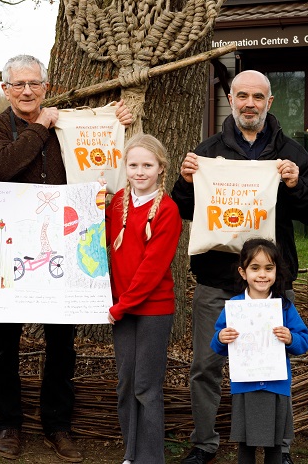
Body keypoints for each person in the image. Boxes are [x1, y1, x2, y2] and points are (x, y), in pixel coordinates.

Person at [0, 54, 132, 462]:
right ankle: (8, 423)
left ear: (46, 87)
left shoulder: (66, 123)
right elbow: (3, 166)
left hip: (64, 243)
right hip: (11, 246)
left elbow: (98, 136)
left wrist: (115, 121)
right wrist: (39, 126)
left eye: (34, 84)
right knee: (3, 341)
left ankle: (57, 425)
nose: (27, 91)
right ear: (6, 90)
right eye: (18, 85)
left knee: (62, 343)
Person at [170, 69, 308, 464]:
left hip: (270, 281)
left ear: (269, 102)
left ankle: (280, 447)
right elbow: (185, 209)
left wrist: (295, 184)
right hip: (217, 279)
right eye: (242, 96)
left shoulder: (291, 152)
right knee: (206, 364)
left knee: (275, 363)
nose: (249, 104)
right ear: (232, 100)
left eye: (258, 97)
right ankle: (204, 443)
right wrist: (186, 181)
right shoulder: (206, 151)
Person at [106, 133, 182, 464]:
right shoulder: (118, 201)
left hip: (152, 310)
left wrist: (120, 306)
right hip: (122, 310)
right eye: (133, 164)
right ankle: (130, 453)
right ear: (125, 167)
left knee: (145, 387)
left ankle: (151, 458)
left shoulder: (167, 210)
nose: (140, 171)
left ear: (160, 168)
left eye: (147, 165)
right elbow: (99, 247)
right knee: (126, 384)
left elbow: (151, 270)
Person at [210, 238, 308, 464]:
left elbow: (304, 341)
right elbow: (217, 344)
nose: (262, 274)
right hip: (245, 387)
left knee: (275, 446)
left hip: (276, 387)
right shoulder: (235, 307)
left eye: (268, 268)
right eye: (255, 268)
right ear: (243, 272)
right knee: (246, 445)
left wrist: (291, 338)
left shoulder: (284, 307)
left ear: (276, 271)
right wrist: (221, 337)